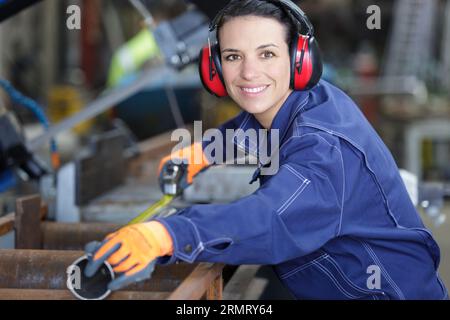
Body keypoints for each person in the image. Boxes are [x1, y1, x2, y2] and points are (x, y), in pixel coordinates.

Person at [84, 0, 448, 300]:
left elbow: (270, 218)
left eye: (267, 54)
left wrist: (167, 235)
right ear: (214, 67)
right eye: (232, 57)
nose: (248, 73)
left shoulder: (325, 149)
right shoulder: (308, 100)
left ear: (299, 59)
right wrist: (204, 152)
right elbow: (257, 128)